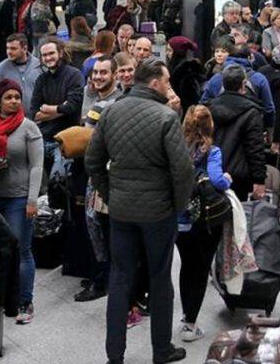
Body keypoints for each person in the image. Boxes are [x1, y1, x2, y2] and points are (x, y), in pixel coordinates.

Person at [86, 59, 194, 364]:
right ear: (155, 83)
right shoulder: (165, 117)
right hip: (158, 213)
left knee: (119, 279)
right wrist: (178, 206)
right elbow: (182, 170)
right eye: (167, 81)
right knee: (160, 279)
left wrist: (110, 194)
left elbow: (93, 161)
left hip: (121, 211)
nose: (170, 86)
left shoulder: (111, 111)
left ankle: (114, 355)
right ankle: (162, 350)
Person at [0, 80, 43, 324]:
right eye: (8, 97)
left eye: (17, 97)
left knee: (21, 249)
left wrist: (33, 199)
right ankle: (0, 295)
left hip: (19, 197)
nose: (14, 101)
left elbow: (37, 166)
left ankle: (26, 300)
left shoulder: (28, 128)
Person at [175, 105, 231, 343]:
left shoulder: (177, 148)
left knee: (186, 266)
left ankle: (186, 312)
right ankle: (190, 323)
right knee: (200, 269)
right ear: (210, 126)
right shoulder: (212, 151)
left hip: (180, 218)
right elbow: (217, 179)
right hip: (204, 221)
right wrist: (226, 180)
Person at [206, 64, 266, 201]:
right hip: (240, 176)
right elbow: (255, 148)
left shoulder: (209, 108)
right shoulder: (251, 112)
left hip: (213, 172)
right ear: (243, 84)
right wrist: (259, 179)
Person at [30, 38, 84, 143]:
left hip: (69, 138)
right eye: (44, 55)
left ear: (60, 53)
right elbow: (34, 114)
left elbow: (72, 106)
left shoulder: (74, 75)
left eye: (51, 53)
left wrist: (47, 108)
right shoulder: (41, 80)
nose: (48, 58)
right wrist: (62, 108)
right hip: (45, 138)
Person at [0, 34, 42, 115]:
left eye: (13, 49)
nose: (9, 52)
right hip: (12, 121)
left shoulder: (39, 65)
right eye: (7, 48)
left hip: (39, 119)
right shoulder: (0, 69)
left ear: (25, 48)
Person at [167, 36, 205, 114]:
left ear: (176, 53)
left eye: (170, 50)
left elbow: (189, 101)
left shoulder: (185, 73)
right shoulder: (181, 70)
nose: (167, 53)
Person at [82, 56, 123, 122]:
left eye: (103, 72)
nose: (98, 76)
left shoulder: (119, 102)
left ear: (115, 74)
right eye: (95, 72)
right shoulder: (86, 93)